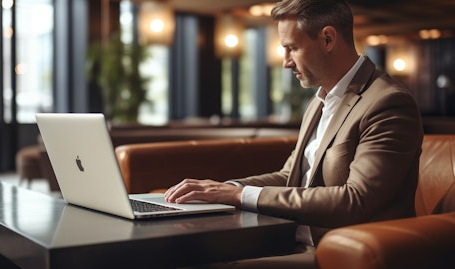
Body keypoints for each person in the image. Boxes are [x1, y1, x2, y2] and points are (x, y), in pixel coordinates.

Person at [166, 0, 423, 267]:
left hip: (338, 250)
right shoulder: (319, 101)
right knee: (185, 250)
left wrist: (239, 196)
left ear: (327, 38)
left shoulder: (388, 102)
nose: (286, 63)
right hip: (293, 239)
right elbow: (291, 176)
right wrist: (227, 188)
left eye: (292, 48)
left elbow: (354, 200)